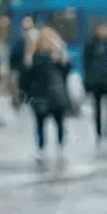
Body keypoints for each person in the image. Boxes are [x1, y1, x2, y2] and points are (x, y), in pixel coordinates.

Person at [20, 25, 71, 167]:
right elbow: (67, 73)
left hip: (47, 96)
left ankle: (49, 149)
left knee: (47, 124)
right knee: (50, 124)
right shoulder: (50, 58)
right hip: (50, 96)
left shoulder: (40, 58)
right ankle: (51, 148)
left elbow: (25, 79)